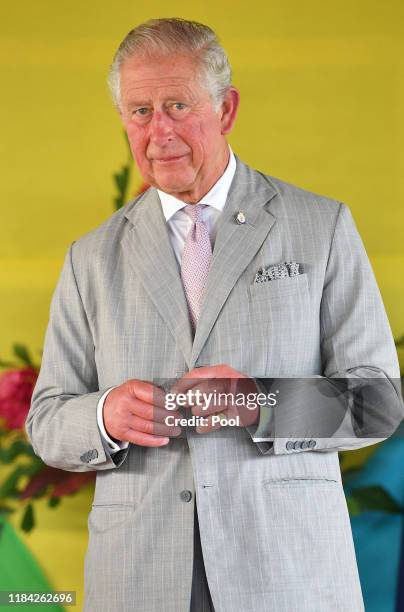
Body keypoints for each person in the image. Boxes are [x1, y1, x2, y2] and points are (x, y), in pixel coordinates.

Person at [26, 17, 403, 612]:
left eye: (177, 105)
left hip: (287, 573)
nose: (159, 131)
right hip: (139, 578)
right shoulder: (90, 257)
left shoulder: (322, 226)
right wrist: (103, 414)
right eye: (140, 111)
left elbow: (379, 402)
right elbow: (47, 421)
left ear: (226, 109)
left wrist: (260, 402)